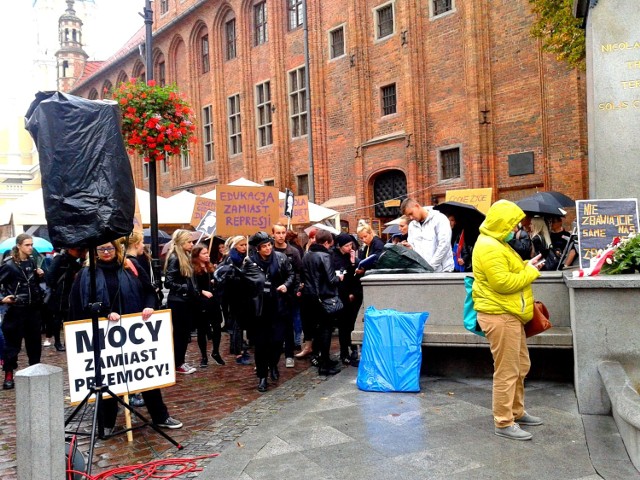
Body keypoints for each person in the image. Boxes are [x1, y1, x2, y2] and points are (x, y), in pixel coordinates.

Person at [69, 240, 182, 436]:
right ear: (94, 252)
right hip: (105, 334)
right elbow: (79, 305)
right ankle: (106, 422)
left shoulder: (131, 266)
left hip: (134, 332)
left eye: (110, 248)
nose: (106, 252)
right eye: (101, 249)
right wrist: (104, 314)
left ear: (117, 248)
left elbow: (149, 291)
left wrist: (149, 306)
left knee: (145, 374)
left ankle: (160, 416)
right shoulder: (86, 274)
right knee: (109, 376)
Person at [472, 199, 545, 441]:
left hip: (509, 313)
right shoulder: (489, 246)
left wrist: (525, 264)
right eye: (513, 224)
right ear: (502, 223)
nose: (516, 229)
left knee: (520, 365)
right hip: (499, 314)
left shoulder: (498, 243)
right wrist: (531, 272)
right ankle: (504, 422)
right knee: (507, 370)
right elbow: (502, 283)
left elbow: (506, 271)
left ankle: (516, 411)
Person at [247, 232, 294, 392]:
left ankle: (273, 364)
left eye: (269, 245)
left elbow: (291, 274)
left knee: (276, 342)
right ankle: (262, 376)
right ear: (257, 249)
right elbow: (246, 283)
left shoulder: (281, 258)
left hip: (278, 306)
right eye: (264, 246)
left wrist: (286, 285)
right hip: (260, 309)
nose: (268, 248)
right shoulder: (250, 262)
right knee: (261, 345)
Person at [0, 234, 45, 390]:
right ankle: (9, 374)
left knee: (34, 345)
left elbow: (34, 285)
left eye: (31, 244)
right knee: (12, 345)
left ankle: (35, 371)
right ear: (19, 245)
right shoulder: (9, 265)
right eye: (27, 245)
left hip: (33, 309)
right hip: (16, 310)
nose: (30, 247)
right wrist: (2, 298)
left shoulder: (32, 262)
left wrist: (39, 276)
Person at [302, 229, 343, 375]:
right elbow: (331, 279)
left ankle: (321, 359)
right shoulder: (325, 256)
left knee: (318, 329)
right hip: (323, 297)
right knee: (325, 330)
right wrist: (340, 278)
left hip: (310, 297)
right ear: (326, 242)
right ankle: (324, 364)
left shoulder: (307, 255)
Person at [164, 229, 198, 375]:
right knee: (180, 334)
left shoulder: (184, 256)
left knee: (184, 334)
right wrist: (185, 288)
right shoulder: (175, 258)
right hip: (178, 301)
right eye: (189, 242)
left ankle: (180, 361)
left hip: (184, 300)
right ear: (181, 243)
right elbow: (168, 282)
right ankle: (178, 363)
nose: (192, 244)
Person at [217, 235, 252, 365]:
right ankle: (238, 352)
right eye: (241, 245)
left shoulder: (242, 258)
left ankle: (238, 348)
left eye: (245, 244)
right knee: (237, 324)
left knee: (239, 323)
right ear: (235, 246)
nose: (244, 247)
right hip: (234, 295)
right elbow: (229, 277)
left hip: (241, 295)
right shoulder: (232, 259)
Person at [272, 223, 302, 368]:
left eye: (283, 232)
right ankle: (273, 356)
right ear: (273, 234)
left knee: (289, 325)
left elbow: (298, 271)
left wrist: (295, 288)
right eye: (278, 233)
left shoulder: (293, 251)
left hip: (289, 293)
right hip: (272, 294)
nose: (281, 235)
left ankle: (289, 354)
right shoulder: (268, 250)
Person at [192, 243, 225, 368]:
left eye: (207, 253)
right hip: (201, 302)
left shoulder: (209, 266)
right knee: (202, 329)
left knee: (217, 327)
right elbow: (193, 286)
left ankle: (215, 352)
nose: (207, 255)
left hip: (213, 301)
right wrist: (201, 291)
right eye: (204, 253)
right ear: (197, 255)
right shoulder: (193, 268)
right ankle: (203, 356)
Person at [400, 198, 455, 272]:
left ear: (417, 206)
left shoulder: (439, 219)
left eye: (411, 213)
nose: (411, 217)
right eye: (408, 216)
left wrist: (430, 267)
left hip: (442, 272)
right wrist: (410, 248)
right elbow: (415, 250)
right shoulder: (412, 225)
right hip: (423, 272)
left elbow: (444, 245)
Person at [331, 233, 360, 366]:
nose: (349, 247)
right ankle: (344, 353)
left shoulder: (351, 256)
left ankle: (353, 349)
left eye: (350, 245)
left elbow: (354, 275)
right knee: (343, 326)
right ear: (340, 246)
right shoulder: (334, 257)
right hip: (340, 295)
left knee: (350, 324)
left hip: (351, 295)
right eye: (347, 245)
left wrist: (353, 261)